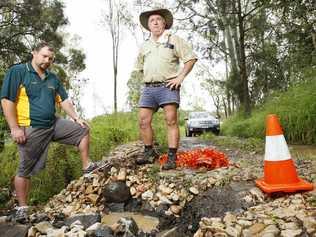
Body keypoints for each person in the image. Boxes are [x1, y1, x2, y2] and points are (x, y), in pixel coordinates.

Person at [0, 41, 98, 222]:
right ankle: (22, 207)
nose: (47, 61)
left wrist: (76, 117)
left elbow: (65, 100)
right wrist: (14, 128)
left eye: (51, 59)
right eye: (44, 56)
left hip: (53, 124)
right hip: (31, 127)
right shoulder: (18, 72)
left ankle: (86, 166)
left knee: (82, 131)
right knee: (24, 169)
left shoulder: (52, 78)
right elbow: (7, 101)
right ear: (34, 53)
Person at [134, 9, 197, 169]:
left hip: (168, 86)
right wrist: (146, 79)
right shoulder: (145, 46)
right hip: (149, 88)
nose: (155, 22)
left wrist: (180, 77)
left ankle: (171, 157)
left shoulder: (173, 39)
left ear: (164, 23)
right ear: (148, 26)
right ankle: (149, 152)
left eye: (158, 19)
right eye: (151, 20)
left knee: (171, 120)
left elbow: (190, 58)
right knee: (143, 120)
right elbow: (139, 67)